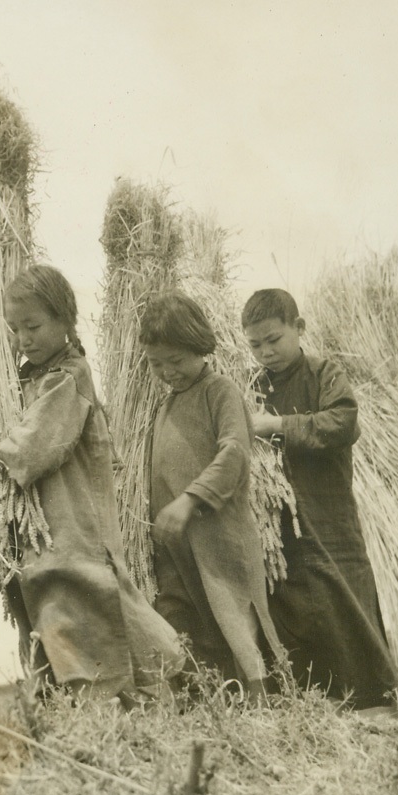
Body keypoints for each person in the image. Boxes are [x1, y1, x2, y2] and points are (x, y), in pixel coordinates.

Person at [0, 264, 186, 701]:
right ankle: (99, 696)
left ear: (65, 320)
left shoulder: (70, 375)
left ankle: (150, 680)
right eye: (15, 329)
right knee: (54, 607)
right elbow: (10, 425)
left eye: (34, 326)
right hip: (42, 526)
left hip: (77, 518)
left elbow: (37, 441)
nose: (24, 339)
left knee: (89, 599)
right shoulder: (22, 378)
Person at [242, 288, 396, 711]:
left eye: (274, 339)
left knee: (344, 600)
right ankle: (314, 708)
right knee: (294, 610)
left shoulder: (323, 373)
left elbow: (343, 422)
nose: (266, 352)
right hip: (280, 524)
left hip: (330, 515)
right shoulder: (252, 386)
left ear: (299, 329)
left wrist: (276, 425)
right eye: (255, 344)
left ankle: (372, 706)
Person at [139, 291, 282, 696]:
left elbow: (235, 452)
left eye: (176, 360)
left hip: (221, 538)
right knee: (183, 624)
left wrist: (190, 500)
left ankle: (262, 712)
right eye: (156, 363)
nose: (167, 371)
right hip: (178, 547)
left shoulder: (219, 391)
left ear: (200, 347)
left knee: (237, 623)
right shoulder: (164, 408)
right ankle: (209, 707)